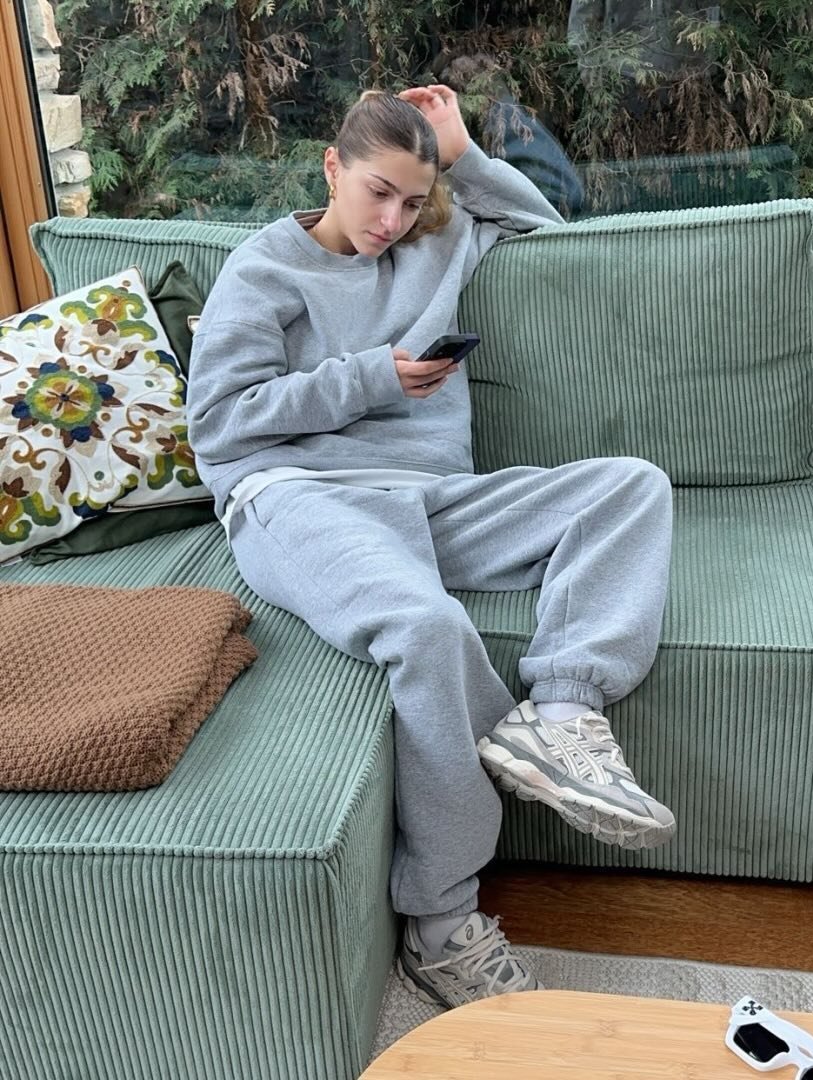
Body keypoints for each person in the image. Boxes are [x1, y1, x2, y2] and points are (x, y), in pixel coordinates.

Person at [186, 85, 675, 1010]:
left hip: (430, 499)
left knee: (631, 485)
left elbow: (543, 228)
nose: (392, 220)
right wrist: (372, 380)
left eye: (413, 201)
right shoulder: (264, 268)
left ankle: (561, 714)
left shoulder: (435, 239)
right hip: (298, 497)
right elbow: (218, 424)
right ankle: (442, 921)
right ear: (331, 167)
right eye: (377, 192)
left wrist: (462, 152)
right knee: (428, 627)